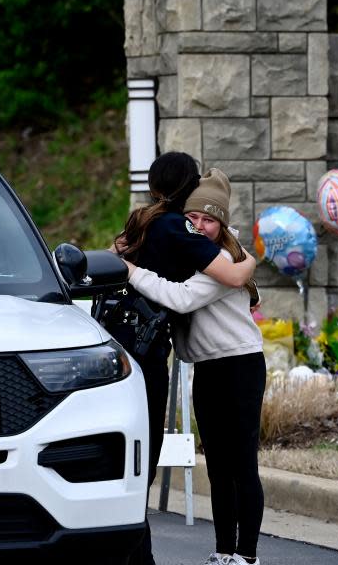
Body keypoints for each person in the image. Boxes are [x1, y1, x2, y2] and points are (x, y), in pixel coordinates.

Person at [108, 152, 256, 565]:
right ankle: (149, 557)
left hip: (125, 353)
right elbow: (221, 279)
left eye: (209, 218)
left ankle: (232, 555)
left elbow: (115, 256)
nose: (201, 223)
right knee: (148, 462)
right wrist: (250, 262)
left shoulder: (143, 222)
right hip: (152, 358)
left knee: (135, 465)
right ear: (188, 187)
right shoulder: (175, 227)